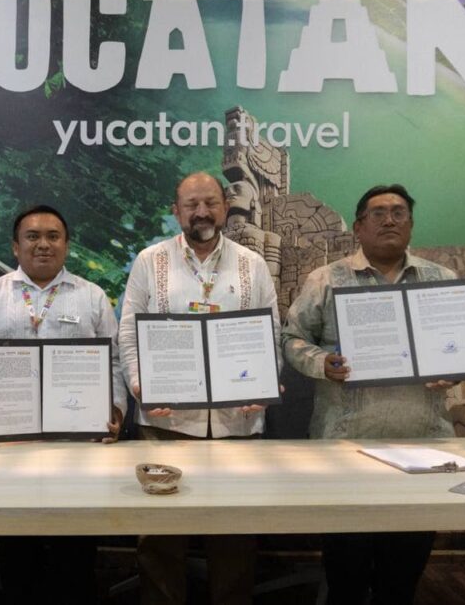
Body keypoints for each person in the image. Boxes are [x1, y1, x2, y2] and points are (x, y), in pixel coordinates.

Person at [282, 184, 457, 605]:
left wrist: (452, 369)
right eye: (378, 213)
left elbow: (463, 344)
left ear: (411, 225)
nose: (389, 220)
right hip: (345, 447)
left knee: (403, 578)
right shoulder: (326, 279)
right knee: (346, 575)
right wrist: (322, 363)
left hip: (423, 445)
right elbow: (291, 339)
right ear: (359, 227)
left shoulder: (441, 281)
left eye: (399, 212)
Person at [118, 172, 280, 605]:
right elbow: (129, 332)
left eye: (210, 202)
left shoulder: (252, 264)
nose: (202, 212)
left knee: (235, 535)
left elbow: (270, 333)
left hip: (238, 424)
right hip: (165, 424)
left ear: (225, 207)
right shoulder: (150, 260)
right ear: (177, 212)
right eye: (191, 205)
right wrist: (140, 384)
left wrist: (264, 381)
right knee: (160, 539)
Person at [0, 204, 126, 604]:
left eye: (53, 236)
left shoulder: (91, 297)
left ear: (66, 245)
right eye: (32, 236)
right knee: (18, 549)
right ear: (15, 247)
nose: (43, 244)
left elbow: (115, 361)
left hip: (78, 446)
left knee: (76, 550)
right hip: (9, 445)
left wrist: (115, 409)